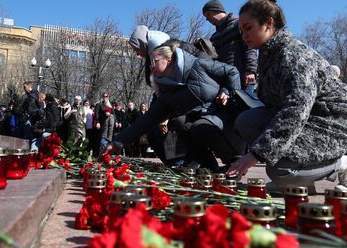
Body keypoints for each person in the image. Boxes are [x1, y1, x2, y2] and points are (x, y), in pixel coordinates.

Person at [228, 0, 347, 195]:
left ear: (269, 23)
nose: (244, 36)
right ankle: (300, 178)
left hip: (332, 122)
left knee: (279, 170)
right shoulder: (268, 54)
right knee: (247, 121)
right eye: (241, 30)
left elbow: (296, 109)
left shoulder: (292, 54)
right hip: (309, 119)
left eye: (248, 28)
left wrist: (256, 154)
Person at [101, 42, 242, 171]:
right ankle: (211, 168)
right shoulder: (167, 92)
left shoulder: (197, 65)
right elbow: (145, 121)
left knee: (201, 125)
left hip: (224, 113)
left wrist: (227, 92)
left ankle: (234, 162)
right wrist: (116, 143)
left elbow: (231, 72)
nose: (151, 67)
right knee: (180, 123)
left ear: (168, 59)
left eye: (154, 62)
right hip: (202, 120)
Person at [202, 0, 258, 93]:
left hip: (245, 78)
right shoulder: (214, 37)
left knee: (248, 106)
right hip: (226, 82)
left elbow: (250, 48)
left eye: (208, 14)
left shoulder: (238, 25)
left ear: (217, 11)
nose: (207, 19)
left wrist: (250, 71)